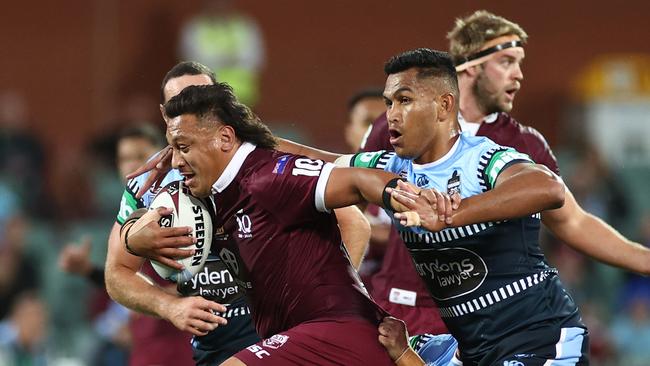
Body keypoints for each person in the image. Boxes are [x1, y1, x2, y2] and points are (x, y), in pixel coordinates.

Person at [360, 9, 650, 341]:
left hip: (484, 323)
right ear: (470, 66)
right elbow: (362, 220)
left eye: (519, 63)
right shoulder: (394, 126)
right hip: (398, 311)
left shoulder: (525, 144)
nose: (518, 75)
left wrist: (644, 259)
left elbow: (573, 222)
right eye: (506, 62)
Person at [122, 83, 411, 365]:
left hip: (336, 332)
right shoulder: (208, 193)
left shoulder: (270, 177)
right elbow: (127, 244)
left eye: (184, 147)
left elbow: (358, 181)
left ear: (224, 138)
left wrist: (407, 197)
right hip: (292, 337)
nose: (174, 161)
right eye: (172, 148)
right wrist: (134, 239)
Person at [341, 48, 587, 364]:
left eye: (404, 100)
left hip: (539, 340)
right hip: (470, 348)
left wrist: (452, 214)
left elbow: (549, 188)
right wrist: (257, 143)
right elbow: (318, 165)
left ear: (444, 106)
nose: (391, 114)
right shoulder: (391, 166)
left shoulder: (481, 158)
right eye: (389, 103)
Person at [106, 62, 262, 366]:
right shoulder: (147, 184)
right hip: (210, 351)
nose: (191, 112)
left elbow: (349, 219)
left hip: (273, 342)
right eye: (179, 105)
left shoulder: (257, 161)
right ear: (165, 115)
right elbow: (116, 274)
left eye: (202, 101)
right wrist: (169, 307)